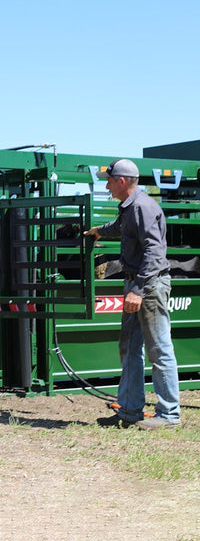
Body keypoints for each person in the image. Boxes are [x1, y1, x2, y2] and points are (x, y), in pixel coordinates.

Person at [84, 158, 181, 430]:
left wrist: (137, 289)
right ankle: (129, 410)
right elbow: (120, 229)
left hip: (147, 286)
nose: (107, 185)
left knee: (159, 349)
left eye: (110, 180)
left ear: (123, 181)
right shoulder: (131, 208)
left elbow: (154, 252)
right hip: (137, 284)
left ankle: (170, 414)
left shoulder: (142, 207)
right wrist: (97, 232)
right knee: (129, 348)